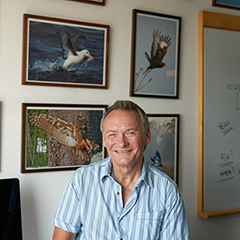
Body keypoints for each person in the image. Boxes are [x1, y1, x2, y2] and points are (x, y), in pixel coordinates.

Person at [52, 100, 190, 240]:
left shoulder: (168, 191)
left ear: (147, 136)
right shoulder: (81, 180)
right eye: (112, 134)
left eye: (130, 133)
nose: (122, 143)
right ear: (104, 140)